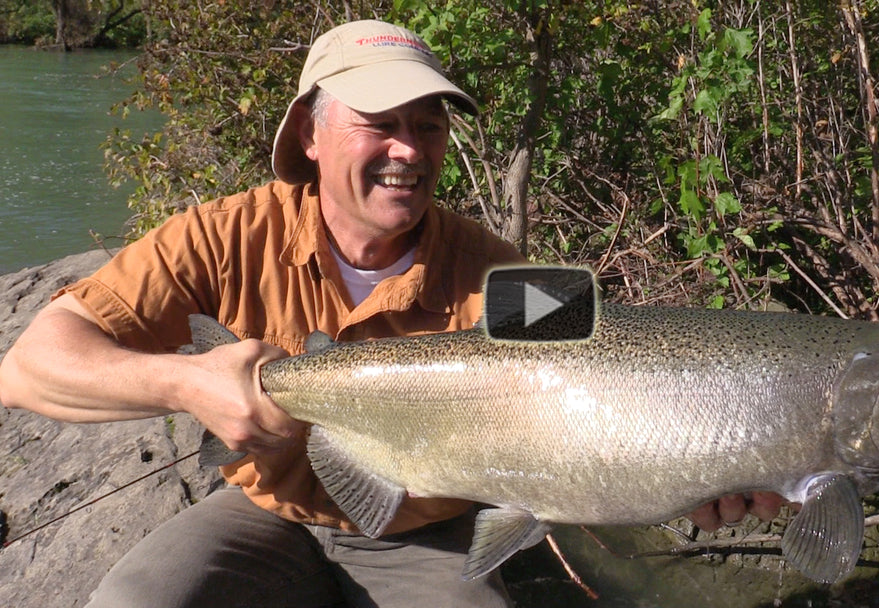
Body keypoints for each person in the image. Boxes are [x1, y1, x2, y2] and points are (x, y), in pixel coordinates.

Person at [0, 19, 782, 608]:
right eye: (381, 122)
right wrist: (188, 386)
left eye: (429, 124)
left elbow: (614, 391)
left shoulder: (510, 277)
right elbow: (29, 367)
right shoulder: (221, 235)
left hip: (430, 533)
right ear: (309, 132)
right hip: (269, 510)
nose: (409, 148)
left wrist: (693, 469)